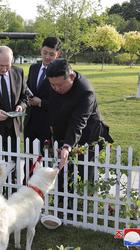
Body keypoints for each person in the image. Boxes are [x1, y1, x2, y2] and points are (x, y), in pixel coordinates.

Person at [46, 59, 113, 193]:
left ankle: (84, 206)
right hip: (65, 133)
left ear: (71, 76)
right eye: (52, 85)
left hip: (88, 137)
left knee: (84, 175)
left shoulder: (86, 92)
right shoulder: (55, 82)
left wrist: (67, 145)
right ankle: (62, 204)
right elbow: (53, 107)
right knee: (62, 174)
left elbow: (78, 122)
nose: (56, 89)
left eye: (59, 85)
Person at [24, 37, 61, 153]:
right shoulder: (33, 68)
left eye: (51, 54)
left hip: (48, 123)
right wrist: (26, 99)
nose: (47, 57)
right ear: (41, 50)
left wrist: (40, 102)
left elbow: (61, 102)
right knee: (29, 158)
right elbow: (28, 87)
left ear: (58, 54)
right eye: (44, 53)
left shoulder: (61, 73)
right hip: (30, 121)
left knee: (46, 161)